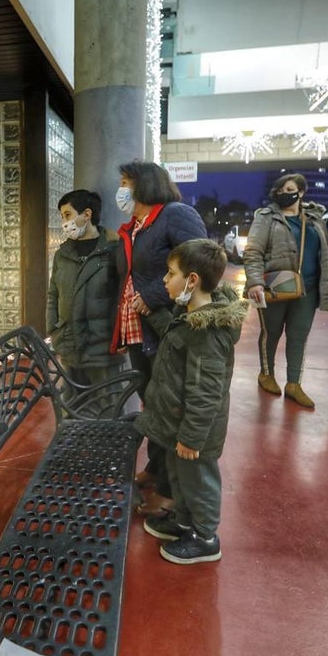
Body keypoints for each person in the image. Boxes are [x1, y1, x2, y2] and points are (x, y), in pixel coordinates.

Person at [134, 238, 248, 564]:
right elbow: (176, 338)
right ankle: (182, 521)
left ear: (192, 280)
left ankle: (205, 537)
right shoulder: (189, 314)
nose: (164, 281)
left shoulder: (207, 330)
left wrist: (192, 435)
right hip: (177, 420)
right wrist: (151, 314)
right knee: (182, 477)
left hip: (194, 428)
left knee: (199, 481)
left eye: (170, 274)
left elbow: (206, 389)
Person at [112, 159, 207, 517]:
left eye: (125, 181)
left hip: (164, 326)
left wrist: (152, 296)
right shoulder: (136, 226)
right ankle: (156, 469)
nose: (120, 189)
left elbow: (200, 262)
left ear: (145, 184)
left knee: (168, 407)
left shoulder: (175, 214)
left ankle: (169, 492)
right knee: (152, 403)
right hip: (139, 329)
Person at [242, 173, 328, 409]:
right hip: (275, 286)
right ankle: (266, 373)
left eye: (290, 189)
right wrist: (254, 282)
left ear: (301, 192)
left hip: (308, 289)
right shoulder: (266, 218)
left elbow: (325, 256)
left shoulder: (314, 219)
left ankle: (294, 384)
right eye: (281, 189)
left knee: (298, 336)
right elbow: (253, 252)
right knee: (270, 333)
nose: (285, 193)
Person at [47, 189, 126, 386]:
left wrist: (119, 338)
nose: (64, 222)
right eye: (62, 216)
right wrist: (54, 331)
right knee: (70, 409)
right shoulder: (62, 254)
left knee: (109, 409)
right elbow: (52, 295)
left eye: (68, 215)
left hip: (103, 351)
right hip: (69, 349)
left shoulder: (113, 249)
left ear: (87, 214)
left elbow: (122, 297)